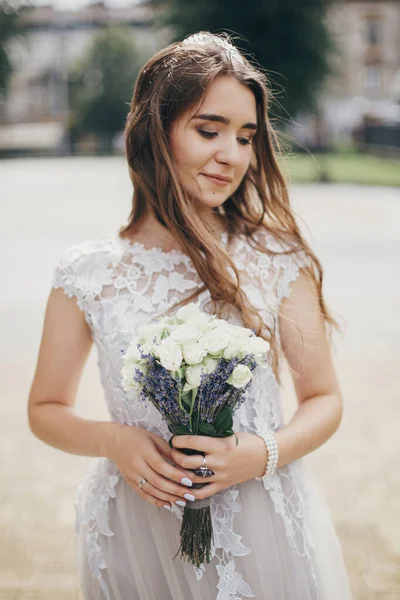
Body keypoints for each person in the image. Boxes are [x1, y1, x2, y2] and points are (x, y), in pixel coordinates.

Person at [28, 31, 352, 600]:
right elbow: (45, 409)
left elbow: (324, 398)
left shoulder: (275, 258)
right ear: (155, 133)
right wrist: (114, 441)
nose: (232, 154)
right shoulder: (88, 273)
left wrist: (262, 453)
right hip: (136, 527)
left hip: (257, 521)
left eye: (246, 137)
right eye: (209, 131)